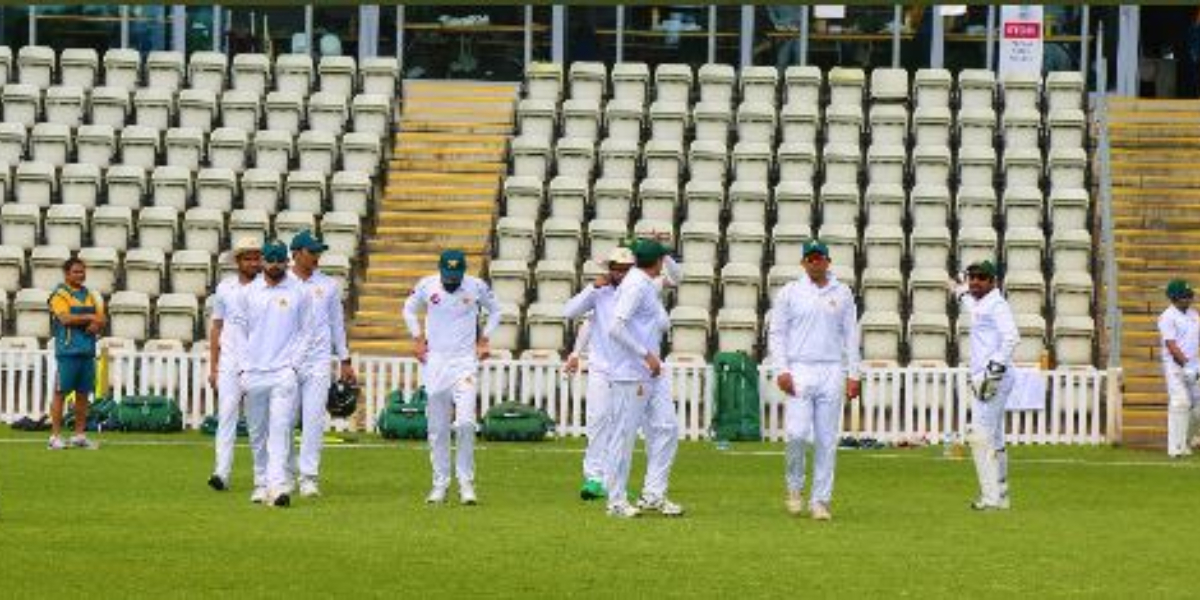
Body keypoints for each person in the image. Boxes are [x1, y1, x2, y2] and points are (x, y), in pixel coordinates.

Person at [767, 240, 861, 521]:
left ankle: (821, 500)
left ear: (827, 262)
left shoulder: (842, 292)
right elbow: (777, 333)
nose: (815, 262)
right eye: (810, 258)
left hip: (831, 369)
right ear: (803, 263)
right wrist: (781, 369)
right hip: (800, 369)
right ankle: (794, 487)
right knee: (796, 434)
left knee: (826, 439)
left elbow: (851, 336)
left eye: (819, 258)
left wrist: (853, 374)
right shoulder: (790, 292)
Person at [403, 250, 501, 505]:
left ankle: (466, 483)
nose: (452, 281)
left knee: (466, 423)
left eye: (456, 276)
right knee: (437, 428)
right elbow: (409, 309)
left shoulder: (476, 286)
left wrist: (484, 339)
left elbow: (496, 310)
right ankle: (440, 484)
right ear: (441, 270)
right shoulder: (427, 285)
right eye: (448, 276)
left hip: (464, 362)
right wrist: (416, 338)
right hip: (435, 362)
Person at [604, 239, 684, 518]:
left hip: (652, 371)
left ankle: (653, 494)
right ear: (657, 262)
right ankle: (615, 501)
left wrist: (665, 251)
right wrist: (645, 354)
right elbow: (616, 327)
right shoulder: (636, 285)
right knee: (624, 437)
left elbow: (678, 277)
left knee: (666, 428)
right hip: (631, 372)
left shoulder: (646, 281)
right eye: (662, 259)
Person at [235, 241, 313, 508]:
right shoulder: (248, 293)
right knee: (257, 432)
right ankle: (260, 482)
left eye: (281, 261)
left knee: (280, 429)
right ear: (263, 262)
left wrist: (293, 366)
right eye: (271, 261)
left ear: (286, 262)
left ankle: (277, 485)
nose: (276, 265)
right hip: (254, 372)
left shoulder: (299, 291)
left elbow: (306, 332)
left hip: (283, 373)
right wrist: (243, 368)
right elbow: (238, 334)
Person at [563, 247, 636, 501]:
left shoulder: (639, 292)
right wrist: (592, 288)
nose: (620, 273)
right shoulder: (599, 292)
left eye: (625, 269)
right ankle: (593, 477)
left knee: (621, 425)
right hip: (600, 366)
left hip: (628, 367)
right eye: (616, 268)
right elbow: (570, 312)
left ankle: (614, 478)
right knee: (597, 420)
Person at [289, 231, 355, 498]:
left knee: (314, 419)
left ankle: (308, 477)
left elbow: (337, 324)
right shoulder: (281, 284)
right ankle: (286, 472)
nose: (317, 257)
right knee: (285, 419)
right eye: (311, 252)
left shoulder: (327, 285)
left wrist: (345, 360)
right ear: (296, 253)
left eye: (318, 252)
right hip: (287, 362)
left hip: (318, 361)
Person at [952, 260, 1020, 510]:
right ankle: (1000, 494)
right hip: (987, 376)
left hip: (994, 377)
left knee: (980, 435)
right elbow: (965, 297)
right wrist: (957, 287)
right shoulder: (976, 300)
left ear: (993, 281)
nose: (975, 282)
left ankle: (991, 498)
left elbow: (1012, 337)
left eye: (981, 277)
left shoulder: (997, 305)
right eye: (972, 277)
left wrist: (994, 370)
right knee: (995, 437)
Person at [207, 239, 266, 501]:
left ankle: (261, 477)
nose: (253, 263)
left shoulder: (268, 288)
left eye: (257, 258)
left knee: (257, 422)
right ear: (238, 261)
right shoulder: (225, 288)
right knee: (226, 417)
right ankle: (221, 473)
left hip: (258, 363)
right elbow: (217, 326)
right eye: (248, 258)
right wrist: (214, 365)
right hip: (230, 361)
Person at [47, 258, 106, 450]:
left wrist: (97, 324)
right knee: (60, 393)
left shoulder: (91, 295)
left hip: (87, 351)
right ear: (66, 274)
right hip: (67, 352)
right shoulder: (59, 295)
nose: (80, 275)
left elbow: (102, 319)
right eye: (76, 272)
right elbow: (65, 319)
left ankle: (79, 435)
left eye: (82, 271)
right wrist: (89, 317)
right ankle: (55, 437)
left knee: (83, 395)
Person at [1159, 279, 1200, 458]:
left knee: (1198, 407)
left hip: (1194, 364)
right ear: (1174, 298)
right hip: (1175, 366)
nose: (1188, 300)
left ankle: (1187, 441)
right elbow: (1171, 344)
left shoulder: (1194, 314)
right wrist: (1186, 364)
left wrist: (1194, 365)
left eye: (1189, 296)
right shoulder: (1167, 317)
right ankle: (1175, 449)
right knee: (1180, 402)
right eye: (1184, 297)